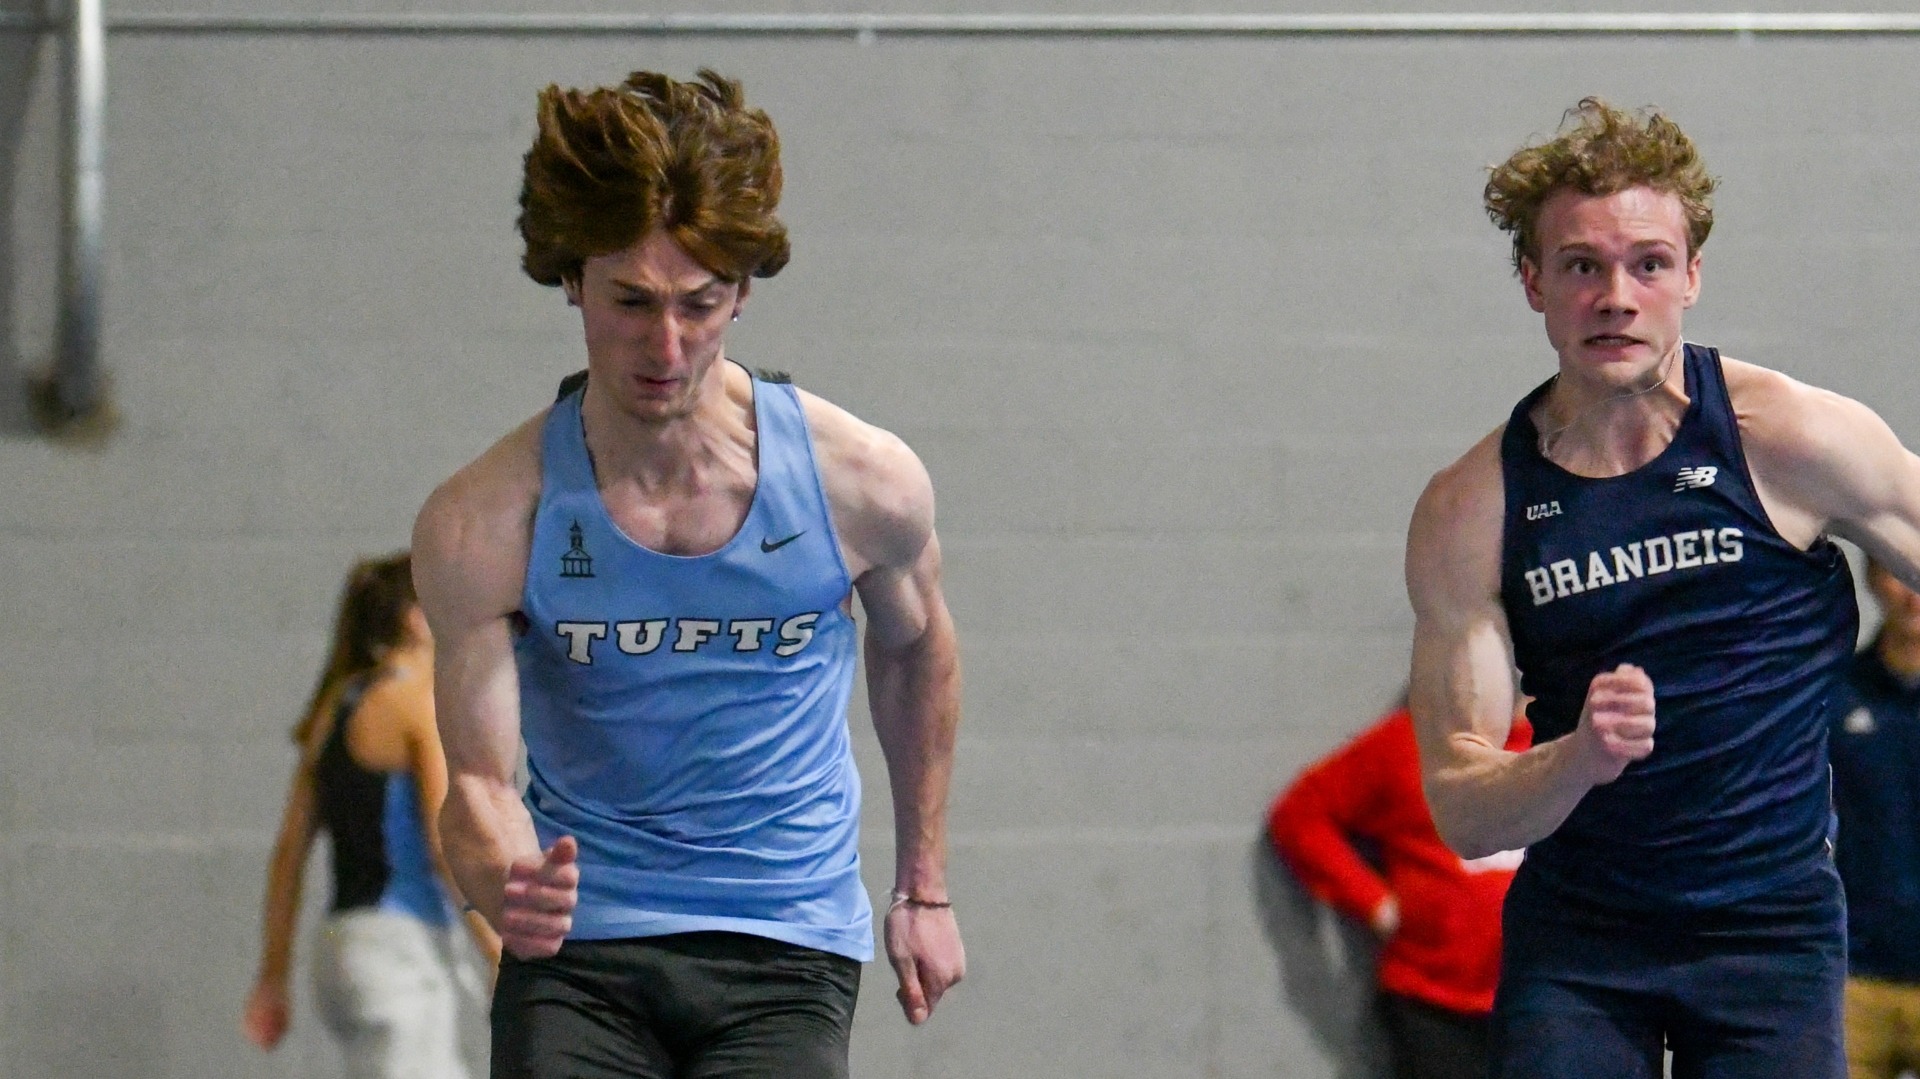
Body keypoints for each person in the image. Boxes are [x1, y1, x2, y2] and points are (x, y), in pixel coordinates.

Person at [410, 69, 965, 1079]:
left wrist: (921, 886)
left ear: (744, 291)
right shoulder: (485, 518)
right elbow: (478, 784)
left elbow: (918, 647)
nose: (666, 346)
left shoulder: (861, 484)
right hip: (580, 948)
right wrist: (504, 877)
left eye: (700, 305)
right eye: (631, 301)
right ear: (572, 279)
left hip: (783, 940)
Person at [1403, 96, 1920, 1079]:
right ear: (1534, 283)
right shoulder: (1473, 509)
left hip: (1772, 932)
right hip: (1583, 947)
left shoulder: (1793, 441)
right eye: (1581, 265)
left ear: (1691, 275)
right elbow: (1464, 810)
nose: (1616, 295)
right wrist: (1577, 758)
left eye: (1647, 262)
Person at [244, 552, 500, 1078]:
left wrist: (272, 977)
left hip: (342, 948)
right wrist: (498, 951)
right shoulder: (412, 701)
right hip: (399, 951)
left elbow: (288, 854)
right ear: (414, 616)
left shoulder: (334, 706)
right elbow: (446, 843)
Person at [1268, 694, 1530, 1079]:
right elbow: (1300, 816)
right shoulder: (1405, 744)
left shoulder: (1556, 751)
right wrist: (1375, 903)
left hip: (1537, 1001)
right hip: (1434, 1001)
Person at [1830, 559, 1920, 1079]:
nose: (1913, 595)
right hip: (1855, 973)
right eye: (1899, 573)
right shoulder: (1836, 694)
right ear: (1872, 578)